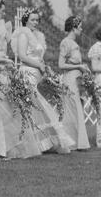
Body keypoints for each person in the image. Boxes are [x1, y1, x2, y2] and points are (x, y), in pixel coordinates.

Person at [0, 0, 41, 159]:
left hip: (3, 72)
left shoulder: (0, 27)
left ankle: (2, 149)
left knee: (5, 111)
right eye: (2, 11)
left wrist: (6, 63)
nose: (5, 14)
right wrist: (3, 60)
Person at [11, 8, 76, 155]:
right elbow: (22, 56)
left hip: (38, 73)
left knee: (36, 107)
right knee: (33, 105)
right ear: (26, 20)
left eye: (37, 20)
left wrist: (45, 67)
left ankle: (41, 142)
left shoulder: (39, 36)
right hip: (27, 71)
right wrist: (38, 65)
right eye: (33, 19)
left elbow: (40, 56)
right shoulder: (23, 34)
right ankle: (28, 143)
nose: (35, 22)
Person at [57, 15, 91, 150]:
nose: (81, 29)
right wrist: (78, 67)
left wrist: (83, 68)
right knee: (71, 110)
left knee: (76, 110)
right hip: (69, 80)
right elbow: (61, 64)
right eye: (80, 27)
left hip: (76, 79)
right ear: (74, 27)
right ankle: (68, 142)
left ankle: (77, 142)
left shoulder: (74, 44)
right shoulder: (66, 42)